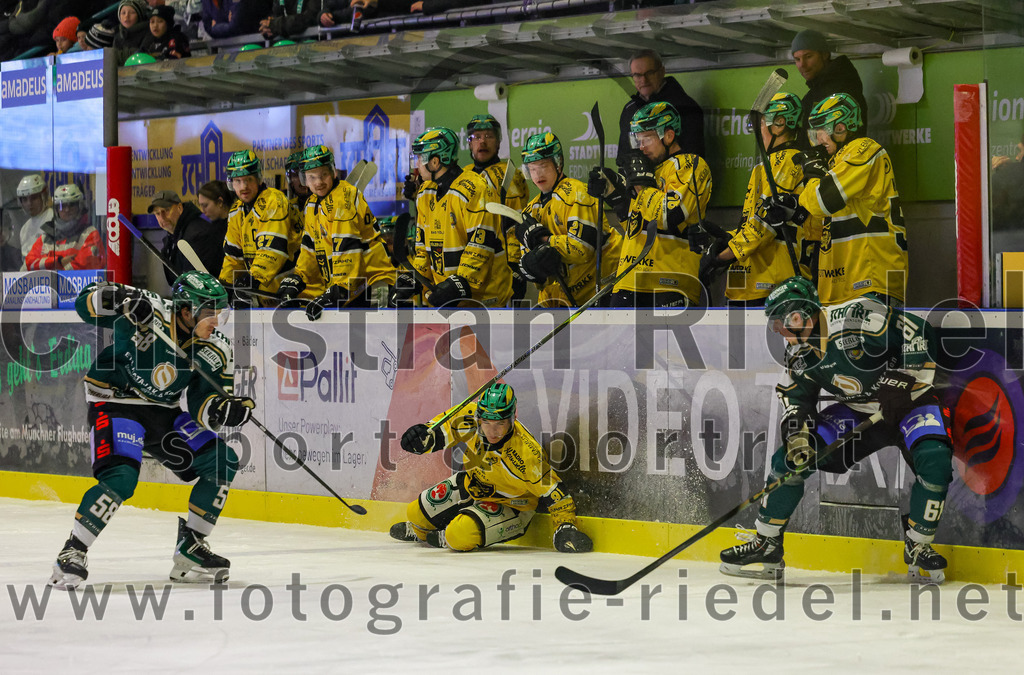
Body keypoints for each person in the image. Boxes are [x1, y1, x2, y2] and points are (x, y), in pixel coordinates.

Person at [719, 276, 953, 584]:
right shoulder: (799, 355)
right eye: (776, 323)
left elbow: (917, 331)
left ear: (803, 313)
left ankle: (918, 543)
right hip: (858, 411)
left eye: (785, 320)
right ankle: (767, 542)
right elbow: (795, 398)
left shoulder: (856, 317)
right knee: (788, 460)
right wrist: (798, 434)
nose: (780, 330)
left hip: (911, 403)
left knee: (935, 457)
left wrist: (905, 377)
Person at [48, 272, 251, 589]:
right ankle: (72, 551)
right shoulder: (150, 306)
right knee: (122, 477)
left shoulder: (218, 349)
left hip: (163, 412)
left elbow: (202, 403)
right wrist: (118, 300)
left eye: (220, 313)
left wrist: (222, 409)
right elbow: (84, 303)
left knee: (221, 460)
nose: (217, 321)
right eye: (210, 312)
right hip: (116, 401)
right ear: (186, 310)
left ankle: (192, 546)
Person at [390, 383, 593, 553]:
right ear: (479, 416)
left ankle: (448, 535)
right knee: (414, 512)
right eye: (486, 422)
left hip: (513, 505)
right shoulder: (470, 417)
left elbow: (554, 492)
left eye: (500, 423)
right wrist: (421, 437)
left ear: (513, 418)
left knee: (458, 535)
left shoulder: (527, 453)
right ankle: (421, 531)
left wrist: (565, 526)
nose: (492, 431)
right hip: (473, 484)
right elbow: (440, 431)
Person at [773, 93, 907, 306]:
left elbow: (822, 201)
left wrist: (813, 174)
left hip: (869, 279)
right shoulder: (836, 162)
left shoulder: (864, 149)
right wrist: (794, 209)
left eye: (821, 130)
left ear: (842, 127)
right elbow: (820, 225)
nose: (818, 139)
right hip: (842, 284)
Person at [700, 93, 819, 305]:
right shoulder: (765, 165)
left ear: (779, 124)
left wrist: (720, 257)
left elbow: (764, 225)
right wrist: (726, 239)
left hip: (773, 284)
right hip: (751, 283)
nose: (758, 130)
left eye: (762, 123)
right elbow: (751, 224)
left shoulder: (786, 160)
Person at [606, 102, 711, 308]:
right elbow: (635, 228)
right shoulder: (648, 171)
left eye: (648, 138)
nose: (641, 147)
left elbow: (670, 216)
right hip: (628, 279)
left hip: (670, 280)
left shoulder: (690, 165)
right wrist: (614, 196)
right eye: (638, 140)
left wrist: (642, 187)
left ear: (669, 136)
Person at [400, 127, 512, 308]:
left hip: (483, 300)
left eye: (420, 158)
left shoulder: (475, 188)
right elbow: (422, 249)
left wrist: (460, 283)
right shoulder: (425, 193)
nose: (417, 164)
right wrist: (414, 278)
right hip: (448, 299)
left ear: (435, 162)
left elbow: (480, 245)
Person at [277, 145, 395, 315]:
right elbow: (310, 250)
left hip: (372, 283)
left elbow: (347, 250)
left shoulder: (344, 198)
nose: (318, 182)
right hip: (351, 288)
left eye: (323, 174)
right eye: (312, 177)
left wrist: (339, 289)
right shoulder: (312, 204)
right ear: (304, 180)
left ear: (333, 172)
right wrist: (299, 278)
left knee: (373, 333)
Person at [518, 131, 621, 307]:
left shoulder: (578, 193)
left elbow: (582, 249)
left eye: (543, 165)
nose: (537, 174)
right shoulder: (530, 210)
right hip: (560, 298)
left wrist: (545, 240)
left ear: (558, 163)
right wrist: (531, 267)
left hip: (602, 289)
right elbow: (536, 275)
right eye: (532, 168)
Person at [219, 150, 302, 306]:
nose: (243, 186)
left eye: (248, 179)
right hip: (264, 291)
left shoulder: (274, 200)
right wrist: (225, 285)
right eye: (238, 181)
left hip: (292, 288)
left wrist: (252, 279)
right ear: (231, 183)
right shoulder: (236, 211)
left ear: (258, 178)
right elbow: (233, 258)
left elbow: (272, 250)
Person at [463, 114, 531, 302]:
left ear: (499, 141)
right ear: (469, 143)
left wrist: (515, 266)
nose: (482, 142)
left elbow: (515, 222)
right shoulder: (463, 175)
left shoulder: (510, 174)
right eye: (477, 137)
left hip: (502, 267)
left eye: (489, 136)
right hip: (470, 265)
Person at [617, 49, 704, 165]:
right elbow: (624, 155)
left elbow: (693, 157)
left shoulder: (685, 106)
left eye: (649, 73)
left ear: (662, 71)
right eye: (637, 75)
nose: (643, 80)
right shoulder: (629, 109)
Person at [791, 29, 867, 136]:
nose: (802, 65)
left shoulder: (842, 91)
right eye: (797, 59)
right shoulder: (813, 95)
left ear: (825, 54)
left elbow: (835, 139)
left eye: (808, 57)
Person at [151, 189, 227, 284]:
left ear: (179, 208)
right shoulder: (173, 236)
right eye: (157, 213)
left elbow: (196, 282)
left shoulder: (196, 234)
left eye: (166, 210)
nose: (162, 217)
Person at [26, 184, 104, 271]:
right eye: (62, 205)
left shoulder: (90, 234)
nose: (67, 210)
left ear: (79, 206)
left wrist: (50, 268)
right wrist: (58, 261)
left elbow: (84, 265)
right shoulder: (45, 237)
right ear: (56, 209)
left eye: (72, 205)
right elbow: (30, 263)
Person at [15, 173, 52, 257]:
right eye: (25, 199)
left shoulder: (54, 220)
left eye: (34, 198)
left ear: (44, 196)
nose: (29, 203)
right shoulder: (24, 229)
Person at [112, 0, 152, 65]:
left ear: (139, 15)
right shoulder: (118, 37)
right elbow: (113, 60)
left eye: (132, 13)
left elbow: (141, 55)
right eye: (123, 13)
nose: (126, 16)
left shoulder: (148, 32)